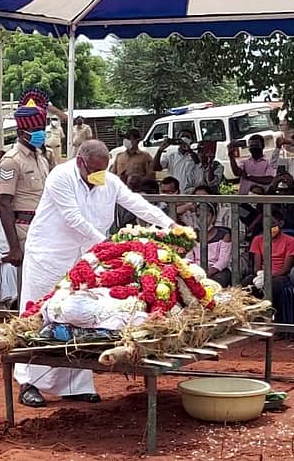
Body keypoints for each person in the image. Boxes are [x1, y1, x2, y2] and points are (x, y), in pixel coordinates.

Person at [16, 139, 177, 408]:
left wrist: (170, 225)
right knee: (40, 316)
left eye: (103, 170)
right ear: (80, 162)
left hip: (85, 259)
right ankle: (28, 382)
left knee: (78, 317)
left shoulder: (108, 181)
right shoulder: (61, 176)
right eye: (93, 170)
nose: (97, 176)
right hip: (50, 256)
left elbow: (135, 203)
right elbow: (73, 218)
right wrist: (110, 247)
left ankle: (74, 385)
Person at [0, 89, 52, 270]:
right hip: (24, 230)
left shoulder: (42, 158)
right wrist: (14, 247)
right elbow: (4, 204)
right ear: (21, 132)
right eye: (35, 130)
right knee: (27, 286)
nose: (41, 134)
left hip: (43, 228)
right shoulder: (11, 161)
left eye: (42, 129)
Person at [246, 210, 294, 322]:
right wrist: (261, 275)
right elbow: (256, 266)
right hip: (261, 274)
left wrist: (270, 277)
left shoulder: (291, 241)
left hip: (281, 276)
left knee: (272, 286)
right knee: (245, 285)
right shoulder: (258, 239)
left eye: (273, 224)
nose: (269, 227)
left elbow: (286, 268)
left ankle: (264, 314)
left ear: (281, 224)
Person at [185, 203, 232, 287]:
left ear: (213, 217)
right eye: (199, 216)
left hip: (217, 271)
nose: (202, 219)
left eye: (206, 216)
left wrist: (207, 273)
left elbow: (223, 261)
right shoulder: (191, 234)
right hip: (196, 270)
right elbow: (189, 258)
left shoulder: (224, 235)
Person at [153, 130, 201, 194]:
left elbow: (198, 163)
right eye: (182, 137)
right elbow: (156, 168)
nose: (184, 139)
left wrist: (190, 150)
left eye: (187, 137)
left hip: (191, 192)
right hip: (173, 192)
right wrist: (159, 151)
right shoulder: (171, 154)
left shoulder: (196, 155)